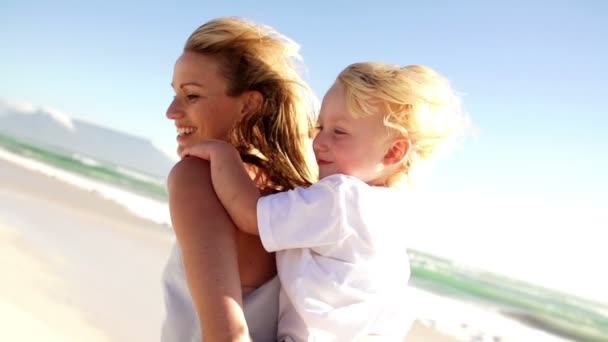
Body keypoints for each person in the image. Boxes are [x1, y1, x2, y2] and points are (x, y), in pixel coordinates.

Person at [181, 62, 467, 341]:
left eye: (339, 132)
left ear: (393, 152)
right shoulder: (389, 211)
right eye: (320, 127)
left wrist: (223, 155)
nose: (318, 142)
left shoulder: (342, 197)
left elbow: (249, 215)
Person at [161, 17, 318, 342]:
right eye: (175, 93)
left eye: (191, 96)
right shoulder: (294, 196)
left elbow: (227, 334)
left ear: (248, 104)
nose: (172, 111)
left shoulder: (196, 177)